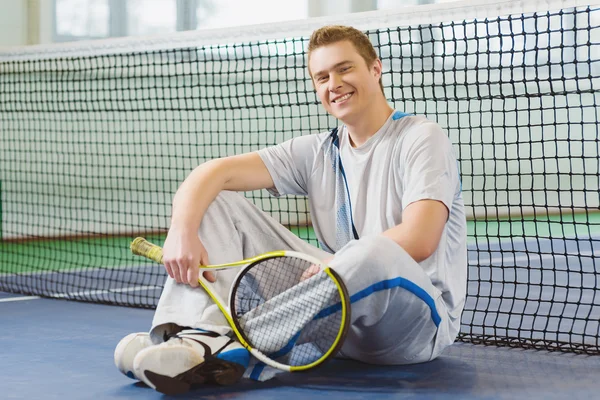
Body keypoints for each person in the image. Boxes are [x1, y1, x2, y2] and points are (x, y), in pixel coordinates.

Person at [114, 25, 467, 395]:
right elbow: (212, 173)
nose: (335, 83)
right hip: (335, 322)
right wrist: (181, 230)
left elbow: (420, 238)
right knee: (216, 200)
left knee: (373, 251)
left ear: (375, 69)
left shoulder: (421, 137)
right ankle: (185, 336)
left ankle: (231, 343)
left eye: (345, 69)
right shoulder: (317, 151)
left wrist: (337, 263)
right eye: (322, 76)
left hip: (411, 329)